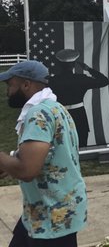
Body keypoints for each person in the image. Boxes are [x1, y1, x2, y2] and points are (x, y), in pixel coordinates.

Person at [0, 61, 87, 247]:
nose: (7, 91)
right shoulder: (56, 108)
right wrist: (10, 162)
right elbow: (48, 153)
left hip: (53, 216)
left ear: (26, 84)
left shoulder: (38, 114)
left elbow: (27, 170)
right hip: (41, 210)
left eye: (10, 85)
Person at [48, 48, 109, 148]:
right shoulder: (81, 79)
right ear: (73, 65)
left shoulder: (53, 81)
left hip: (61, 115)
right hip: (79, 115)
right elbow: (104, 81)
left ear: (59, 65)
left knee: (62, 145)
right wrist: (89, 69)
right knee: (81, 145)